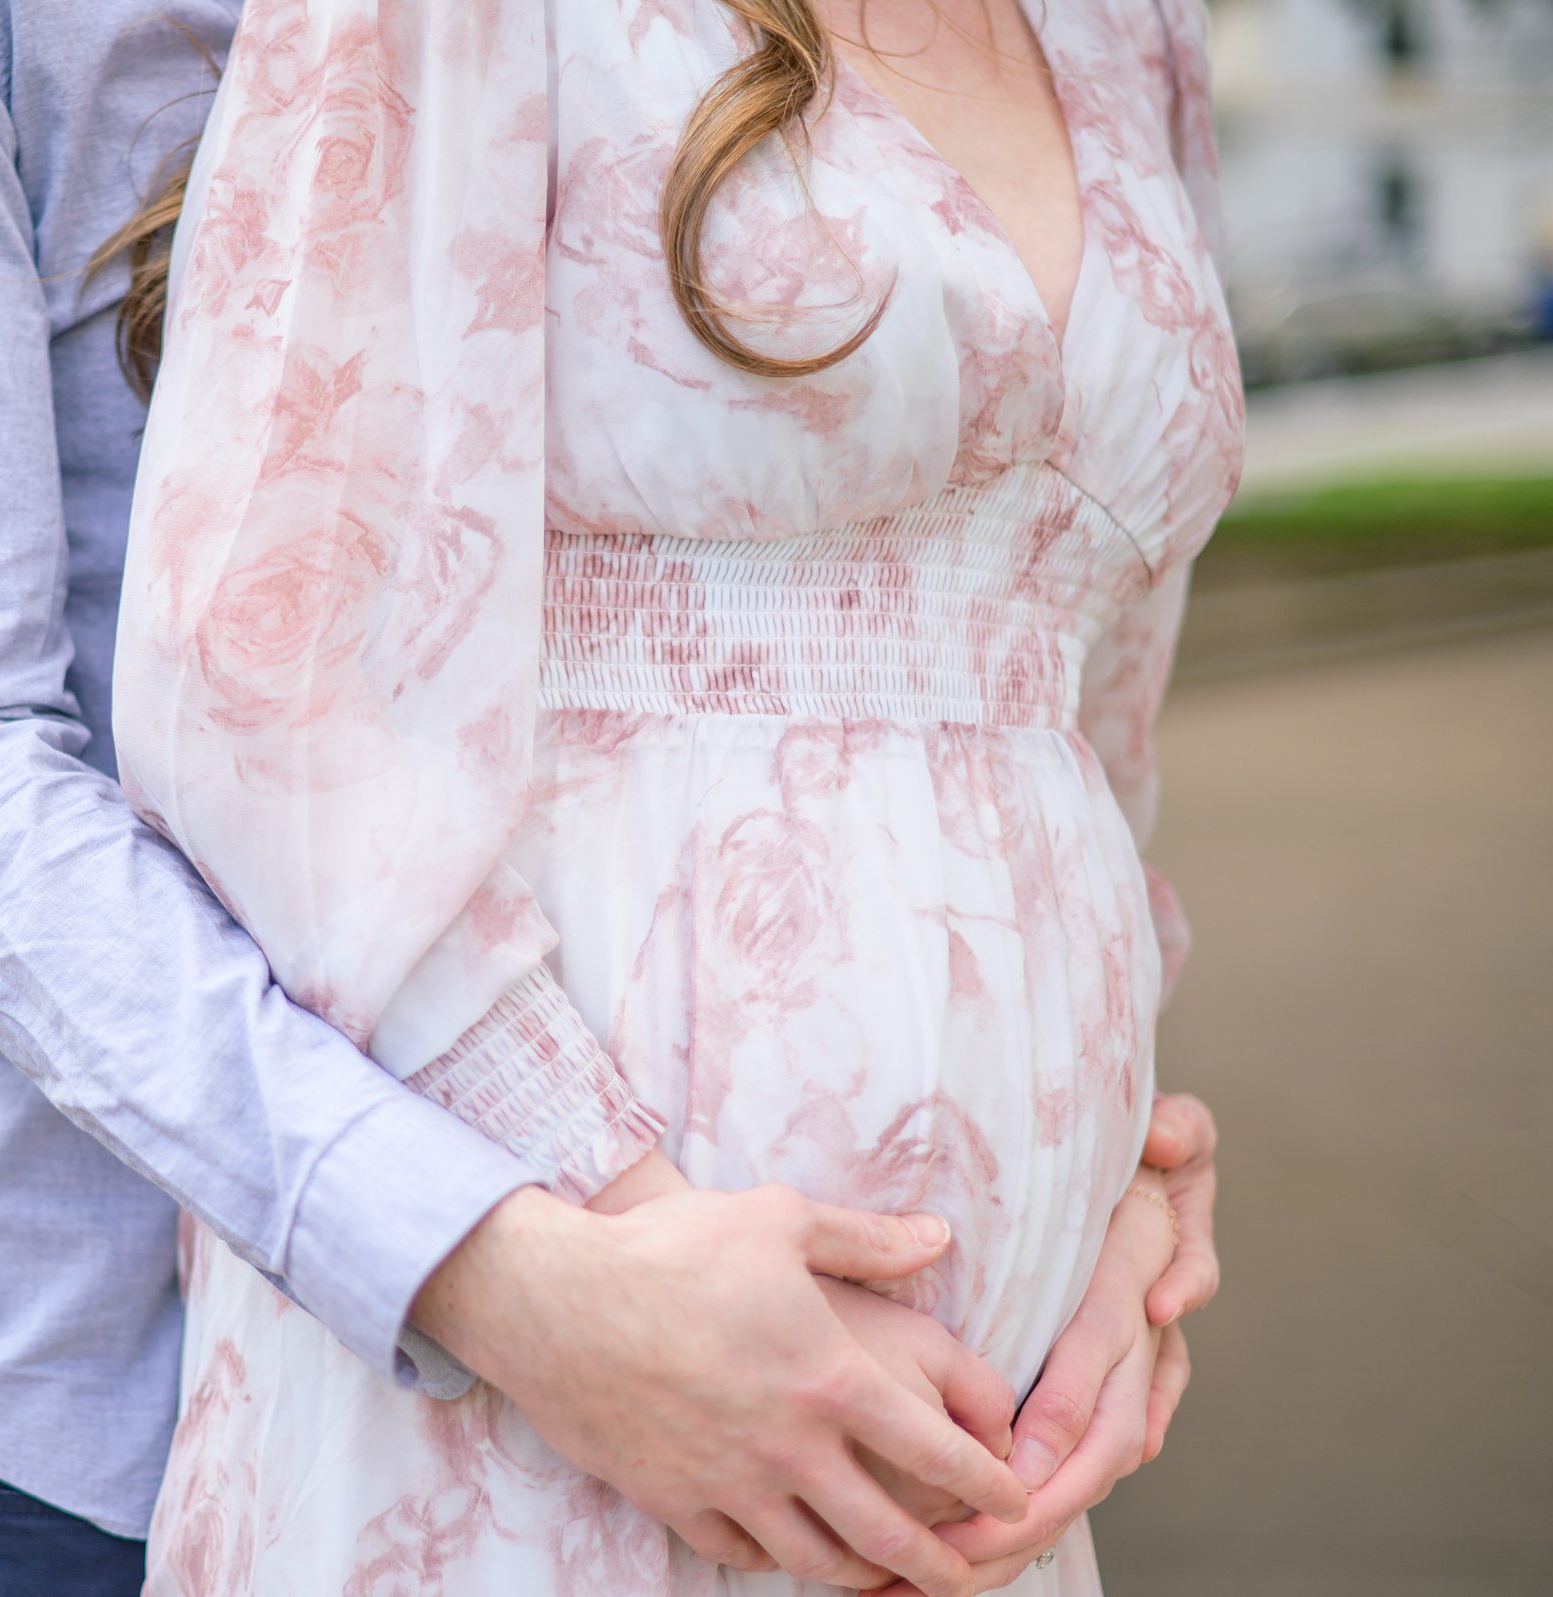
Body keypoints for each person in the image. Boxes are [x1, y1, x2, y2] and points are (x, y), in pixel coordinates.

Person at [0, 0, 1223, 1590]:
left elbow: (1019, 619)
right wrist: (510, 1270)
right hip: (72, 1416)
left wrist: (1102, 1146)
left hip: (825, 1381)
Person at [110, 0, 1240, 1591]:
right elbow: (268, 669)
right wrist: (621, 1261)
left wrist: (1121, 1180)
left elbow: (1085, 699)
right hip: (567, 1392)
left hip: (980, 1469)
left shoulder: (1133, 30)